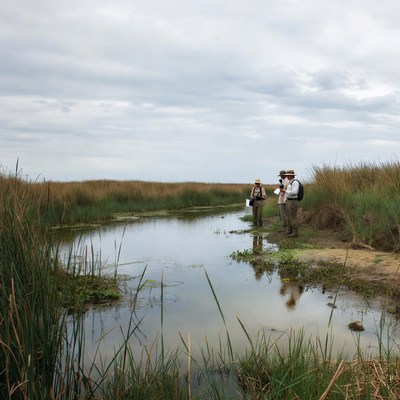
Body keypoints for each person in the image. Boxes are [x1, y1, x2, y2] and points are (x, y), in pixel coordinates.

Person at [281, 170, 299, 237]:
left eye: (288, 175)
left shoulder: (295, 182)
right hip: (289, 201)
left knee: (293, 217)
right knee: (288, 217)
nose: (287, 176)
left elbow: (294, 192)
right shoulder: (290, 182)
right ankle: (289, 230)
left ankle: (295, 232)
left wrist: (285, 191)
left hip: (293, 201)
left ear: (291, 175)